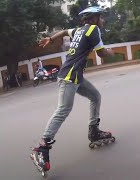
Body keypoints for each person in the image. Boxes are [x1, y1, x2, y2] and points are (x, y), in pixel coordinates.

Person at [31, 6, 115, 172]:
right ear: (94, 19)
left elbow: (63, 32)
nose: (103, 20)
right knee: (63, 109)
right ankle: (42, 147)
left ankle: (94, 131)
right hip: (69, 77)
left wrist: (50, 39)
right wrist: (111, 52)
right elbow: (102, 53)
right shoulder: (93, 30)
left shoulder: (78, 30)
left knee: (95, 96)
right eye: (101, 17)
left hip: (75, 77)